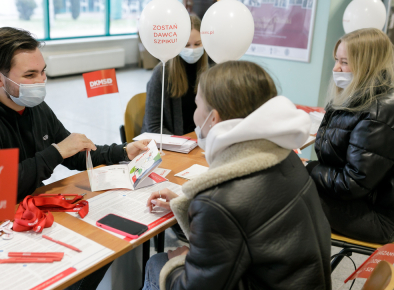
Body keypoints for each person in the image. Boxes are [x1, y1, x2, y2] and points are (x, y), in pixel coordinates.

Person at [0, 27, 150, 290]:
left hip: (28, 213)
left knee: (106, 248)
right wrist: (55, 152)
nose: (41, 81)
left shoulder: (32, 104)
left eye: (42, 71)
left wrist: (122, 151)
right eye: (30, 75)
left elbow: (73, 151)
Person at [142, 61, 331, 290]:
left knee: (156, 264)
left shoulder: (218, 201)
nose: (194, 115)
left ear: (214, 118)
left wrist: (178, 264)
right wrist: (190, 205)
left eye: (196, 105)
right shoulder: (285, 156)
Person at [307, 28, 394, 244]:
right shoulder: (350, 99)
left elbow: (352, 182)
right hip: (357, 201)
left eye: (344, 62)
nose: (336, 68)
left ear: (367, 64)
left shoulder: (379, 111)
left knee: (289, 193)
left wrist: (309, 168)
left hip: (378, 217)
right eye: (337, 60)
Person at [141, 14, 209, 135]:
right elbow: (153, 126)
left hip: (196, 140)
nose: (192, 49)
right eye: (187, 45)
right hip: (169, 142)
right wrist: (183, 143)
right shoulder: (161, 73)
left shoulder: (208, 72)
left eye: (198, 44)